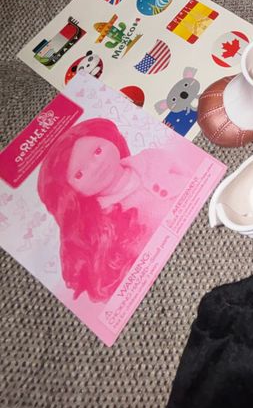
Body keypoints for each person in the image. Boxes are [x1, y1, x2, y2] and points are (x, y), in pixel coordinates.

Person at [38, 118, 192, 303]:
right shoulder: (106, 223)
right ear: (70, 192)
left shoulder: (152, 159)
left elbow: (189, 171)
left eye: (97, 151)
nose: (95, 166)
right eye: (80, 174)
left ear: (109, 139)